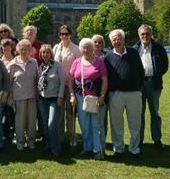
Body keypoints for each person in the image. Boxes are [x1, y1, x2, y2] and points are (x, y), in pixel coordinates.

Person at [104, 29, 144, 158]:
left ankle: (134, 149)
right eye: (114, 39)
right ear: (111, 41)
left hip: (134, 93)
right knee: (116, 123)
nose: (117, 41)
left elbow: (141, 72)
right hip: (116, 95)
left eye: (119, 38)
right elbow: (106, 77)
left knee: (135, 123)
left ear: (123, 39)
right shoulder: (108, 57)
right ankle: (119, 148)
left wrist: (139, 88)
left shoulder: (133, 52)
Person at [68, 38, 108, 160]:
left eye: (88, 47)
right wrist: (71, 95)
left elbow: (105, 80)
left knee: (96, 124)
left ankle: (99, 149)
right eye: (83, 47)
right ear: (80, 49)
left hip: (96, 98)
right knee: (84, 124)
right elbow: (69, 79)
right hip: (80, 98)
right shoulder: (76, 62)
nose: (86, 50)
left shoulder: (99, 62)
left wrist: (102, 96)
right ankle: (87, 147)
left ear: (92, 48)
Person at [133, 24, 169, 150]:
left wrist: (157, 74)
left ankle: (157, 139)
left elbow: (165, 65)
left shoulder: (159, 48)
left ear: (151, 34)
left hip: (154, 84)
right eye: (142, 34)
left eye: (147, 34)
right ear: (139, 35)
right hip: (139, 85)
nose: (145, 36)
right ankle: (140, 140)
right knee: (139, 113)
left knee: (155, 112)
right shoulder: (135, 49)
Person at [8, 39, 39, 150]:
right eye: (22, 49)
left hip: (32, 96)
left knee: (31, 121)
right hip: (18, 97)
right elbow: (9, 82)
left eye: (27, 49)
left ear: (30, 50)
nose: (24, 51)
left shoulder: (34, 62)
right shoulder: (13, 64)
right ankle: (20, 142)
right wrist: (10, 98)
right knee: (20, 122)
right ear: (18, 50)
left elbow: (38, 79)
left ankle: (31, 141)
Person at [53, 25, 81, 146]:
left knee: (70, 113)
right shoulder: (55, 48)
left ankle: (72, 137)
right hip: (57, 85)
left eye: (66, 34)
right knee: (59, 113)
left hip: (71, 85)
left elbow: (79, 66)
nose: (64, 36)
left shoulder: (76, 49)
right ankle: (59, 136)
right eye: (61, 34)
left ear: (70, 35)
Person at [37, 45, 65, 158]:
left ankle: (56, 149)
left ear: (51, 54)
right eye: (43, 52)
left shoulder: (57, 65)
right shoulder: (41, 67)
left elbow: (62, 82)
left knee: (51, 125)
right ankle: (48, 145)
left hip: (54, 99)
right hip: (42, 99)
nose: (45, 54)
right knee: (45, 124)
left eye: (47, 52)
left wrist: (60, 97)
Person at [0, 39, 15, 140]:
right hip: (1, 89)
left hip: (13, 90)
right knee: (2, 111)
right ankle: (4, 132)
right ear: (1, 48)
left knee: (12, 112)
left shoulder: (16, 59)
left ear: (11, 47)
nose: (6, 48)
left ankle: (13, 132)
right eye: (4, 47)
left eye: (8, 46)